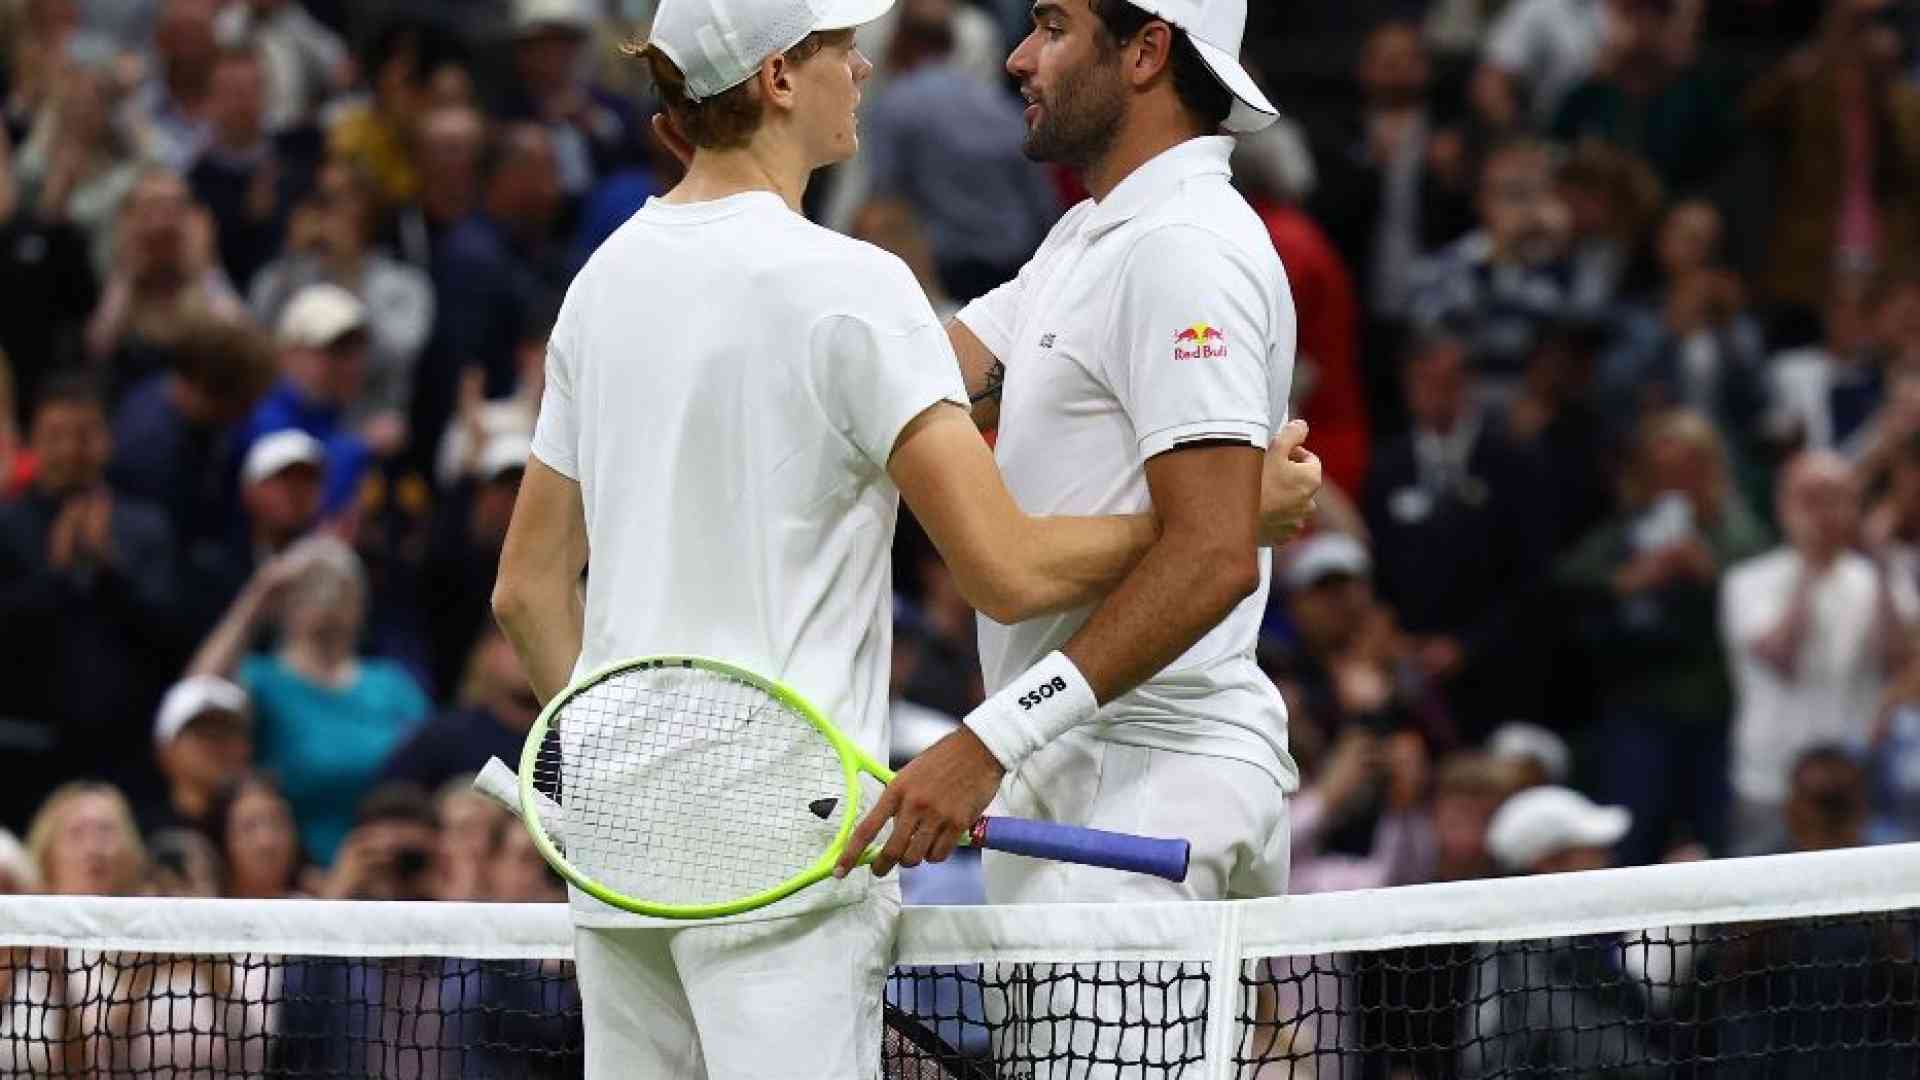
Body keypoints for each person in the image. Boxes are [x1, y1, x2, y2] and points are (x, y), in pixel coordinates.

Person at [491, 2, 1321, 1076]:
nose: (869, 66)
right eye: (842, 47)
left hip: (638, 847)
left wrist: (622, 775)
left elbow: (525, 592)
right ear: (778, 80)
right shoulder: (986, 263)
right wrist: (1229, 515)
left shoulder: (601, 284)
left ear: (1149, 51)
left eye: (1050, 27)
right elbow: (1008, 564)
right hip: (801, 845)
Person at [187, 535, 430, 863]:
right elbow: (195, 700)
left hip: (389, 865)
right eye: (314, 584)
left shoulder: (392, 684)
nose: (329, 595)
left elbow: (431, 764)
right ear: (286, 598)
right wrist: (256, 598)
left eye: (342, 585)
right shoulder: (262, 679)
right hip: (293, 866)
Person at [1721, 451, 1914, 852]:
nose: (1824, 513)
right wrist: (1810, 568)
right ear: (1783, 507)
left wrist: (1879, 559)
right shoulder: (1748, 581)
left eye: (1837, 498)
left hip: (1856, 782)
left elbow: (1899, 661)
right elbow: (1782, 657)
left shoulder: (1878, 579)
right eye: (1811, 499)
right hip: (1771, 782)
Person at [141, 674, 255, 840]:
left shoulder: (266, 833)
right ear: (166, 751)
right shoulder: (144, 838)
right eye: (204, 734)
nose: (219, 746)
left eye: (229, 731)